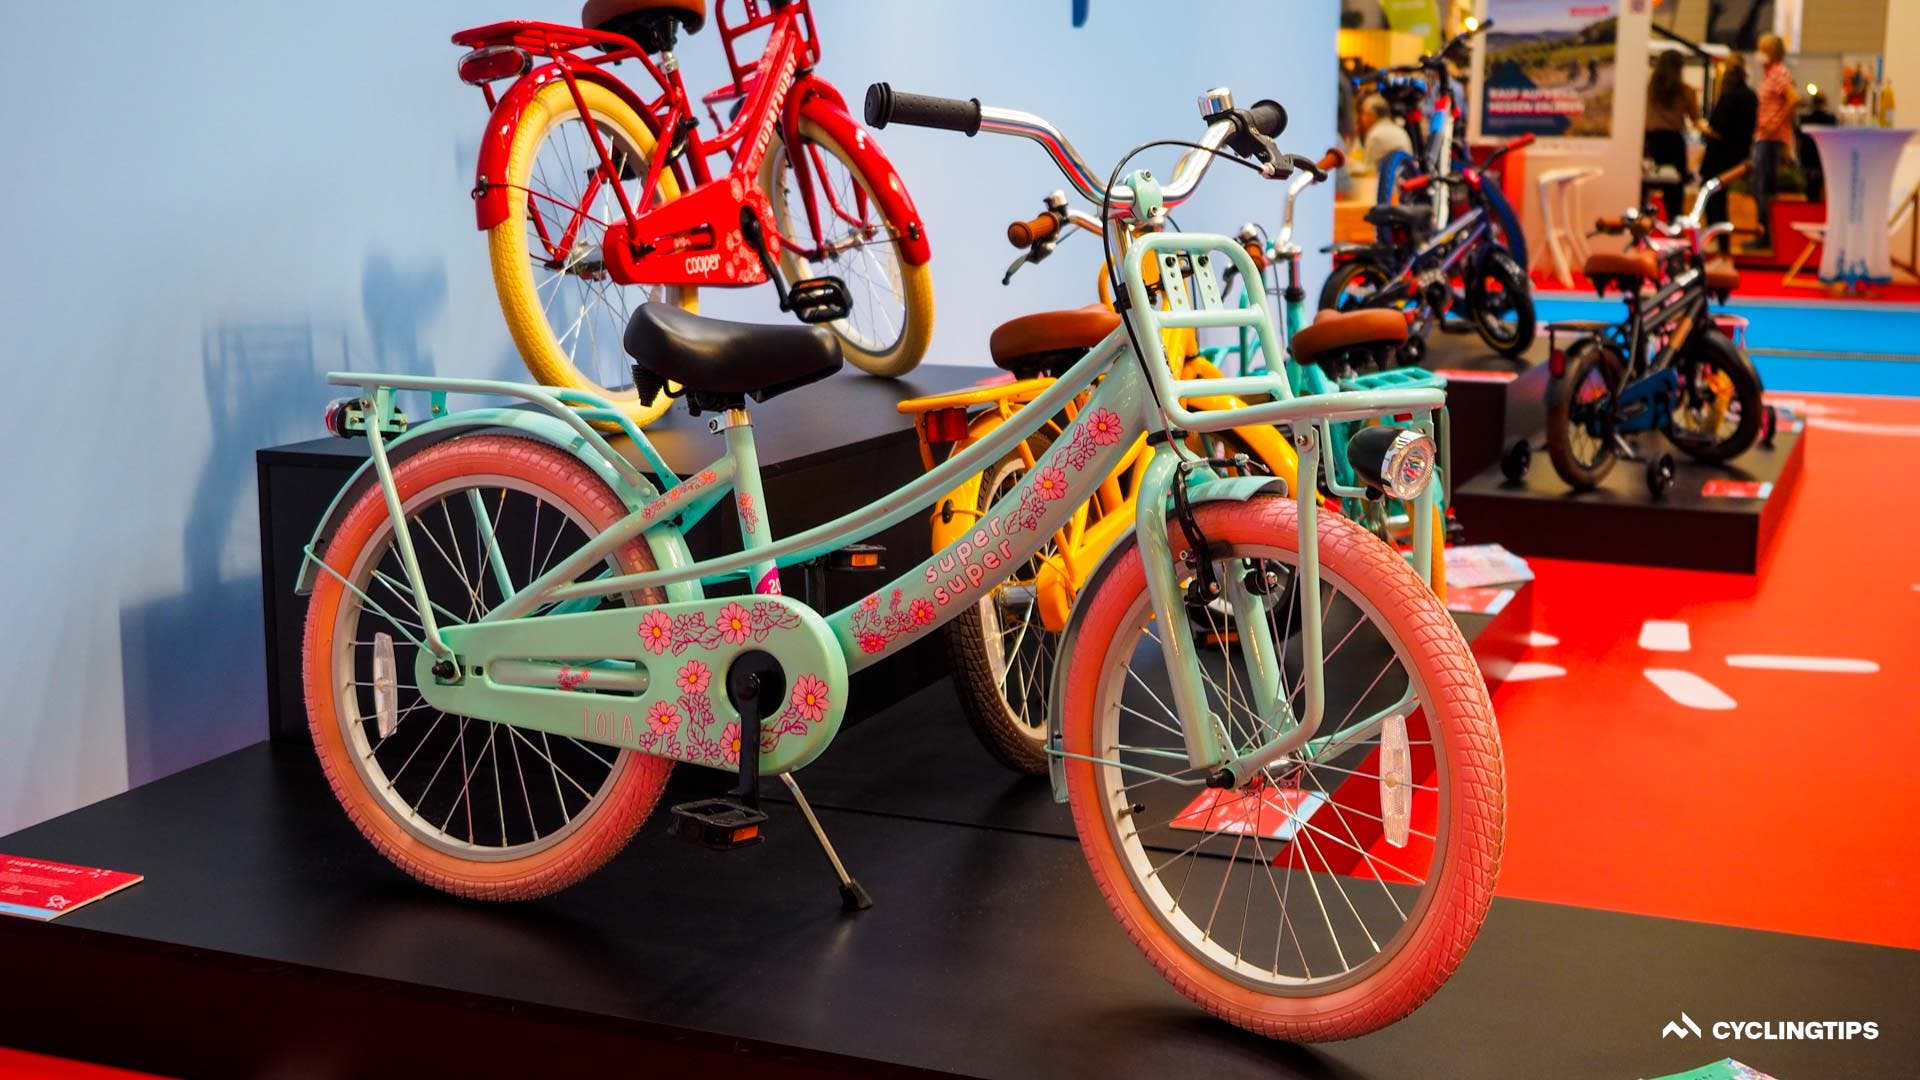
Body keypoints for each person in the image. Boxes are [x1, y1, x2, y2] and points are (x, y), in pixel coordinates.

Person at [1747, 32, 1799, 252]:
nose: (1759, 53)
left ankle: (1767, 235)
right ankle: (1765, 233)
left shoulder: (1779, 73)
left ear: (1773, 52)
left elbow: (1794, 98)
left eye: (1763, 49)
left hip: (1771, 139)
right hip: (1764, 137)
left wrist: (1776, 122)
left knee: (1764, 187)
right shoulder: (1768, 74)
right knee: (1760, 186)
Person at [1700, 53, 1757, 252]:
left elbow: (1717, 128)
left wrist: (1703, 128)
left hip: (1719, 154)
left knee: (1713, 199)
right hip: (1738, 154)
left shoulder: (1728, 96)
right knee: (1720, 199)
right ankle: (1723, 244)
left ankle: (1718, 241)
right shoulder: (1751, 96)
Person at [1644, 51, 1702, 220]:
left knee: (1646, 184)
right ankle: (1673, 226)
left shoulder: (1648, 90)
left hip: (1650, 141)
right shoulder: (1685, 91)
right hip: (1673, 143)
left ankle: (1643, 226)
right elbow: (1695, 117)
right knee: (1674, 193)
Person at [1353, 92, 1413, 177]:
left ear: (1373, 115)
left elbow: (1368, 170)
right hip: (1405, 179)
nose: (1361, 118)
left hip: (1392, 182)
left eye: (1363, 113)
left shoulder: (1376, 135)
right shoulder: (1398, 129)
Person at [1798, 92, 1838, 201]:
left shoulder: (1805, 119)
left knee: (1810, 180)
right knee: (1820, 179)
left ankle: (1810, 195)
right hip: (1823, 154)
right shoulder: (1831, 119)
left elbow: (1799, 138)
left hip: (1807, 154)